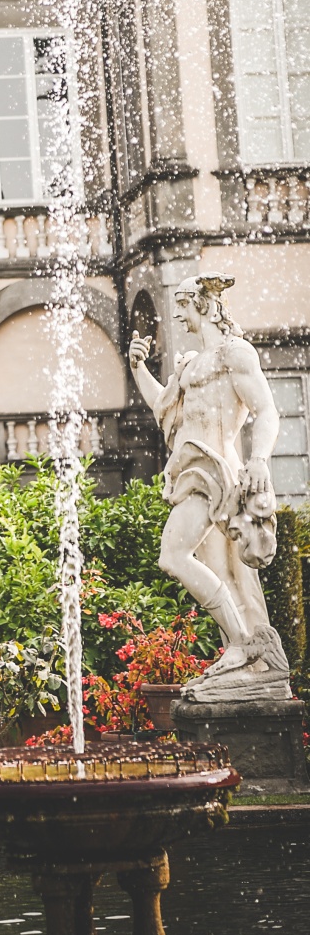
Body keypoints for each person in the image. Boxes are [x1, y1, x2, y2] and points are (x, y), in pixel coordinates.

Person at [129, 272, 291, 699]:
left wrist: (259, 459)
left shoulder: (234, 353)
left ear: (202, 303)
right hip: (194, 472)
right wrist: (138, 368)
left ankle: (244, 648)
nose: (177, 315)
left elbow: (267, 412)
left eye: (182, 305)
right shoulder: (189, 365)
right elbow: (163, 407)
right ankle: (256, 659)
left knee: (174, 555)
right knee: (226, 574)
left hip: (219, 472)